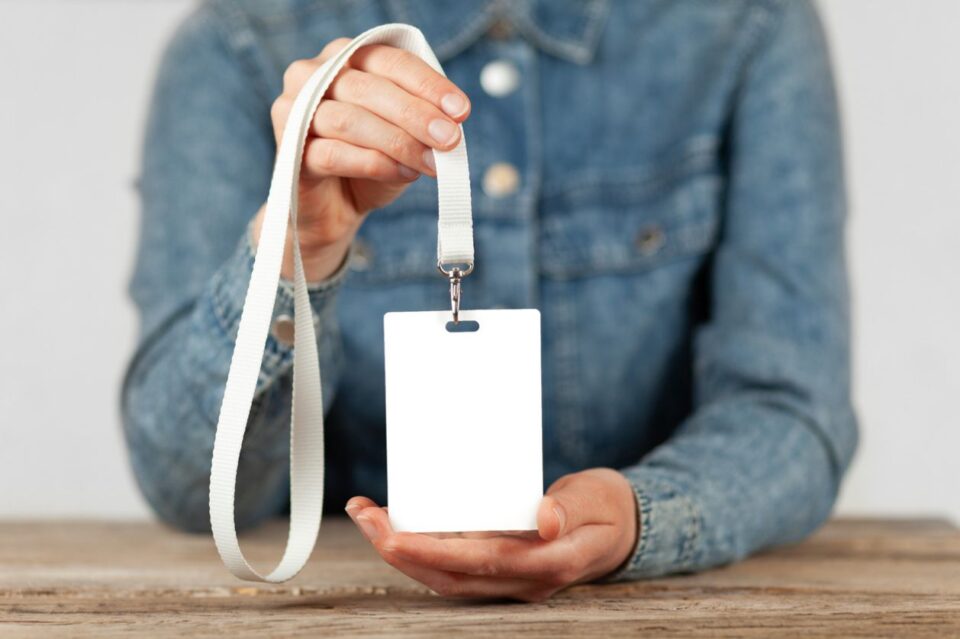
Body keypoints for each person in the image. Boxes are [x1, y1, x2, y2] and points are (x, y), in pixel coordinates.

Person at [122, 0, 858, 602]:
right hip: (354, 611)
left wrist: (644, 516)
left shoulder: (749, 25)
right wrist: (296, 255)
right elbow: (187, 482)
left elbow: (791, 407)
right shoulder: (236, 44)